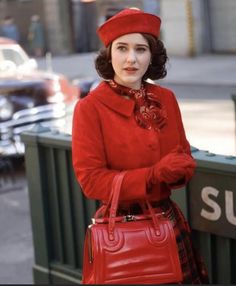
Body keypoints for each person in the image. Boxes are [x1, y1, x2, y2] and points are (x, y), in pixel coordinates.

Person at [72, 8, 209, 284]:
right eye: (122, 48)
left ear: (152, 56)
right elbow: (91, 181)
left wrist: (183, 168)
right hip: (120, 228)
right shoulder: (89, 108)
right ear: (110, 54)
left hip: (167, 220)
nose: (131, 58)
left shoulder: (166, 98)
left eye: (141, 49)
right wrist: (153, 175)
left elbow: (181, 154)